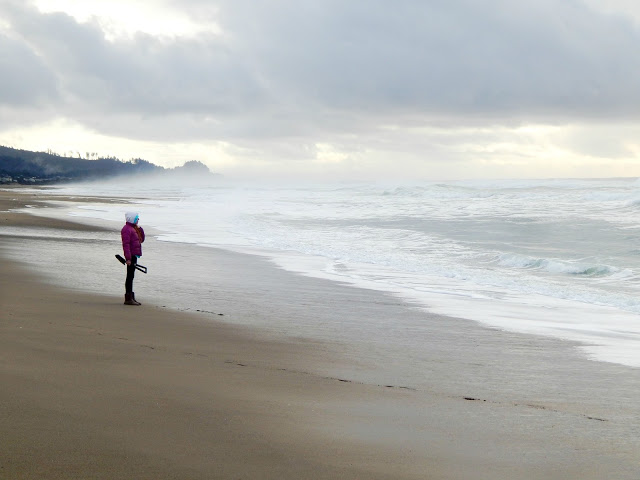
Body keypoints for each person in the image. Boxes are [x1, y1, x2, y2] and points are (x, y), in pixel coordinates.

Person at [121, 211, 145, 306]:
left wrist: (140, 229)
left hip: (134, 255)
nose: (138, 220)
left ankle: (131, 296)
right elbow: (125, 245)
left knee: (131, 276)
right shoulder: (126, 229)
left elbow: (141, 240)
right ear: (132, 218)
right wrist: (128, 258)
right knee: (130, 277)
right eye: (136, 218)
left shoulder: (133, 228)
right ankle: (128, 298)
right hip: (131, 256)